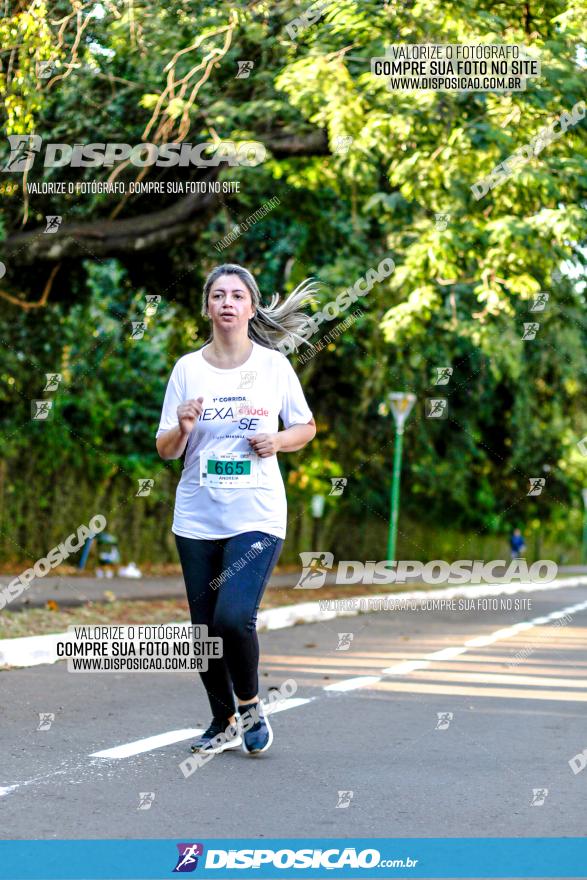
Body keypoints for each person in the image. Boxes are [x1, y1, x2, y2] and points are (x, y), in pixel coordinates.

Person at [155, 263, 317, 757]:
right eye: (218, 295)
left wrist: (277, 440)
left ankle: (249, 705)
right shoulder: (187, 369)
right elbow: (165, 449)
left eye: (237, 295)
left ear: (250, 307)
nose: (227, 302)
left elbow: (305, 427)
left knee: (233, 615)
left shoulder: (272, 367)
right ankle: (221, 720)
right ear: (207, 306)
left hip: (256, 513)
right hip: (198, 515)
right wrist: (182, 427)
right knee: (202, 631)